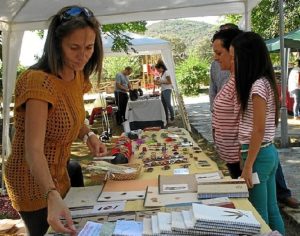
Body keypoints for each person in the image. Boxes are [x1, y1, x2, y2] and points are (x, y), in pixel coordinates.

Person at [4, 5, 107, 235]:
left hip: (58, 176)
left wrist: (88, 135)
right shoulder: (38, 82)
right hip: (31, 182)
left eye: (89, 47)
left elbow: (73, 114)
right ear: (57, 44)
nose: (83, 55)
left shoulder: (76, 74)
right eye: (74, 48)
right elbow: (33, 150)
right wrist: (51, 193)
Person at [210, 25, 300, 209]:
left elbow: (255, 127)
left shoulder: (254, 86)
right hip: (249, 154)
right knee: (267, 206)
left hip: (250, 155)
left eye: (227, 55)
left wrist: (247, 162)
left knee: (258, 211)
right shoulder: (254, 83)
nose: (216, 58)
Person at [231, 31, 285, 234]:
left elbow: (258, 130)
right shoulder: (265, 83)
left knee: (258, 213)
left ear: (246, 58)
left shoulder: (257, 86)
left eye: (235, 57)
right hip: (266, 153)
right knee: (271, 209)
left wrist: (247, 166)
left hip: (258, 156)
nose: (233, 62)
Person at [154, 60, 174, 124]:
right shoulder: (161, 74)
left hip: (167, 90)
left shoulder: (166, 72)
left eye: (158, 69)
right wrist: (156, 83)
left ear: (161, 68)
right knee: (164, 105)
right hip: (163, 90)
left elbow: (169, 82)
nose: (157, 71)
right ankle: (166, 119)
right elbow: (161, 84)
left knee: (168, 104)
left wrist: (161, 82)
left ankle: (172, 118)